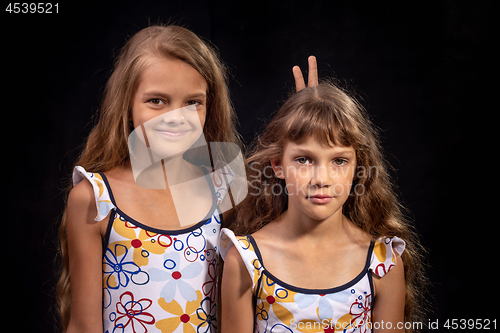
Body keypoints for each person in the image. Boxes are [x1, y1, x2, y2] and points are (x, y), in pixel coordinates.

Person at [57, 25, 242, 333]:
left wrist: (310, 119)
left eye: (192, 102)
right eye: (157, 101)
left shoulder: (225, 190)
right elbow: (83, 325)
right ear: (127, 105)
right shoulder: (95, 199)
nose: (175, 117)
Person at [220, 72, 427, 332]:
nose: (322, 179)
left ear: (358, 168)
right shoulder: (245, 261)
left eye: (339, 161)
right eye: (304, 159)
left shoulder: (383, 264)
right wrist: (307, 109)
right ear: (277, 165)